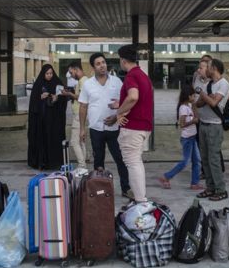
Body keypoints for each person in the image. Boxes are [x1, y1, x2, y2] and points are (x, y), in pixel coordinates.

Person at [79, 53, 132, 199]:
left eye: (103, 62)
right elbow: (83, 107)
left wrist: (117, 117)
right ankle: (100, 189)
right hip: (96, 129)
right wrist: (82, 129)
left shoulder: (117, 82)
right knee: (98, 160)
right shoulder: (87, 84)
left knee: (120, 159)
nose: (102, 65)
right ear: (93, 67)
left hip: (114, 129)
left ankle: (126, 188)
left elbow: (126, 102)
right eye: (98, 63)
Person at [111, 44, 153, 203]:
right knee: (136, 162)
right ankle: (140, 198)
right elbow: (137, 100)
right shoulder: (142, 75)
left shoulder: (131, 76)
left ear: (122, 60)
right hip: (143, 126)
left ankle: (141, 200)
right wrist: (121, 104)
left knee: (133, 163)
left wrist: (119, 112)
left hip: (133, 127)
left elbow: (133, 97)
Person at [195, 58, 229, 201]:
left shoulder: (223, 84)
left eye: (207, 66)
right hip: (203, 124)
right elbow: (198, 104)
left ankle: (220, 189)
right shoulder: (208, 84)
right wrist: (206, 97)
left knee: (214, 159)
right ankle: (210, 188)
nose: (204, 69)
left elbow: (214, 102)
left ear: (214, 68)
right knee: (205, 158)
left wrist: (203, 95)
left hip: (215, 126)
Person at [158, 84, 202, 190]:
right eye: (193, 96)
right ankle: (166, 176)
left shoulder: (189, 106)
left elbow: (197, 116)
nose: (194, 98)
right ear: (188, 96)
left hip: (192, 137)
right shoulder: (183, 108)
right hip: (187, 138)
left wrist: (195, 106)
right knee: (185, 162)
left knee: (197, 161)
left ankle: (194, 183)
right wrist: (193, 121)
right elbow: (182, 124)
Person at [27, 64, 68, 170]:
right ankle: (42, 162)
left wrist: (56, 99)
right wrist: (40, 97)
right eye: (47, 73)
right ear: (43, 73)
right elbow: (33, 103)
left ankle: (55, 162)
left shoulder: (57, 83)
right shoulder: (38, 84)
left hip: (54, 120)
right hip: (41, 121)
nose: (49, 75)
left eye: (51, 73)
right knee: (42, 140)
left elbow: (64, 99)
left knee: (53, 139)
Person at [62, 62, 88, 168]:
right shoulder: (82, 81)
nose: (71, 75)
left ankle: (82, 165)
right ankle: (84, 163)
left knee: (74, 141)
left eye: (71, 72)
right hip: (79, 114)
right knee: (81, 141)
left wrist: (69, 94)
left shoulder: (83, 81)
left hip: (79, 114)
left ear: (76, 69)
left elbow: (81, 97)